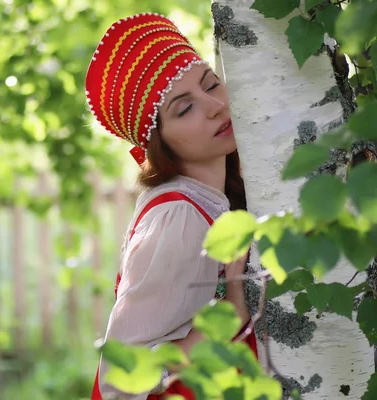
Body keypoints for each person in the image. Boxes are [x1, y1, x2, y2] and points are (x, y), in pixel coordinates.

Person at [85, 12, 258, 400]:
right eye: (185, 109)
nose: (214, 105)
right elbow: (119, 380)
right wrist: (230, 315)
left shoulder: (233, 185)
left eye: (211, 84)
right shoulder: (178, 219)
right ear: (160, 144)